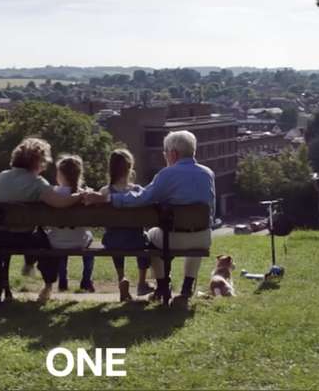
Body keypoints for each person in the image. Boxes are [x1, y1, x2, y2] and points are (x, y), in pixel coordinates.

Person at [85, 131, 214, 307]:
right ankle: (186, 289)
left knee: (152, 237)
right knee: (196, 233)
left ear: (173, 154)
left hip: (173, 239)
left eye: (165, 152)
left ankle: (162, 287)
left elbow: (141, 198)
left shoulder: (167, 174)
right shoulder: (208, 174)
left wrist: (108, 198)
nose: (165, 156)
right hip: (202, 238)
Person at [0, 137, 81, 303]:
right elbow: (60, 203)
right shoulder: (37, 183)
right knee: (49, 249)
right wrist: (79, 196)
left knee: (26, 237)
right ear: (38, 162)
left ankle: (2, 290)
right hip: (25, 239)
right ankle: (47, 286)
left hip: (0, 237)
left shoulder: (2, 177)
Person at [99, 149, 154, 302]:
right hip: (136, 241)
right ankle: (142, 282)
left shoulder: (104, 192)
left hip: (113, 242)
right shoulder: (137, 191)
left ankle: (122, 277)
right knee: (146, 239)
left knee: (115, 237)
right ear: (130, 168)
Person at [46, 155, 95, 293]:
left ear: (60, 174)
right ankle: (86, 280)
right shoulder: (85, 194)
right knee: (89, 239)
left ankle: (63, 281)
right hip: (80, 241)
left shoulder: (52, 192)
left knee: (61, 241)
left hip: (56, 241)